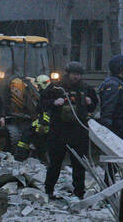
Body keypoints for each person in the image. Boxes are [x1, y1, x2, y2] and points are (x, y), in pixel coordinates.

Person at [41, 61, 96, 200]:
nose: (76, 77)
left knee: (79, 163)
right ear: (68, 73)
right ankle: (49, 190)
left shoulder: (86, 88)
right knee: (55, 163)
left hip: (79, 132)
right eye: (74, 74)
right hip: (59, 132)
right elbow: (41, 103)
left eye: (78, 74)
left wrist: (91, 103)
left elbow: (94, 105)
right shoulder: (56, 88)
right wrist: (54, 103)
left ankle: (79, 193)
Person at [97, 55, 123, 143]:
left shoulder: (119, 83)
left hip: (121, 129)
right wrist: (108, 132)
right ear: (120, 67)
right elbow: (108, 110)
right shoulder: (113, 85)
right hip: (116, 131)